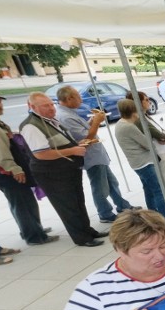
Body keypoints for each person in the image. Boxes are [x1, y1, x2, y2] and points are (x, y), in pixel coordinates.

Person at [20, 92, 105, 247]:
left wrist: (77, 146)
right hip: (52, 174)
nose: (51, 108)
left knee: (78, 201)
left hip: (68, 169)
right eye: (46, 106)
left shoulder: (49, 120)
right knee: (67, 206)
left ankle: (87, 230)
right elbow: (41, 154)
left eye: (51, 104)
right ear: (32, 107)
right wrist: (73, 151)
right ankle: (82, 238)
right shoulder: (31, 125)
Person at [56, 85, 135, 222]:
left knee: (111, 183)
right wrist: (97, 122)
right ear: (69, 99)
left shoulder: (69, 112)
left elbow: (83, 130)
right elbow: (86, 138)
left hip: (97, 155)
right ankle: (105, 213)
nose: (81, 99)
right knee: (100, 187)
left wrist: (91, 121)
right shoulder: (65, 116)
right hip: (91, 157)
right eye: (78, 96)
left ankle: (122, 205)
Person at [0, 93, 55, 246]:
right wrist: (15, 169)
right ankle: (34, 236)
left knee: (24, 201)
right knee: (22, 203)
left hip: (10, 170)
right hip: (8, 172)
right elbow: (1, 152)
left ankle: (33, 229)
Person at [113, 99, 165, 222]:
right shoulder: (129, 126)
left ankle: (152, 216)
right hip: (144, 162)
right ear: (134, 112)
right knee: (158, 190)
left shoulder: (120, 124)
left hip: (137, 163)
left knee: (149, 189)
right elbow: (148, 144)